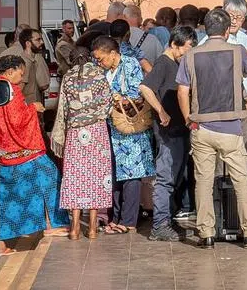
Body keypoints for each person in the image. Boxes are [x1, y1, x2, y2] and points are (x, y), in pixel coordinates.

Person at [176, 9, 247, 248]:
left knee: (203, 182)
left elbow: (182, 91)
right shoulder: (237, 51)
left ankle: (206, 233)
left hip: (201, 126)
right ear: (227, 30)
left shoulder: (190, 56)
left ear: (205, 30)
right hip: (231, 127)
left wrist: (188, 119)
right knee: (242, 180)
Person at [0, 54, 69, 254]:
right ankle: (53, 224)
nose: (22, 78)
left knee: (6, 197)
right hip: (23, 151)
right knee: (50, 177)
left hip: (3, 153)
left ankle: (1, 243)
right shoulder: (11, 90)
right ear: (10, 71)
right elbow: (17, 120)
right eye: (20, 73)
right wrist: (33, 108)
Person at [91, 35, 155, 233]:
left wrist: (116, 98)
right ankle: (116, 217)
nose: (99, 62)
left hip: (130, 129)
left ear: (113, 53)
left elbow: (137, 93)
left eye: (101, 58)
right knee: (116, 175)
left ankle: (128, 221)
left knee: (131, 174)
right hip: (113, 129)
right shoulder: (104, 70)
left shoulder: (129, 64)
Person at [138, 26, 196, 242]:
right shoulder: (164, 63)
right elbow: (145, 87)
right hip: (168, 132)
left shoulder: (177, 64)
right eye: (187, 47)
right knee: (166, 178)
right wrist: (161, 111)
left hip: (179, 130)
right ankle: (160, 225)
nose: (189, 52)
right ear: (174, 44)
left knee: (174, 176)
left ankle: (166, 219)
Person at [53, 46, 113, 241]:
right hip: (97, 132)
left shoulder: (68, 77)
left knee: (74, 177)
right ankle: (93, 228)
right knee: (96, 176)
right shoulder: (99, 75)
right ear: (90, 58)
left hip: (75, 133)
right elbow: (108, 104)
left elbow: (63, 108)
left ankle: (74, 228)